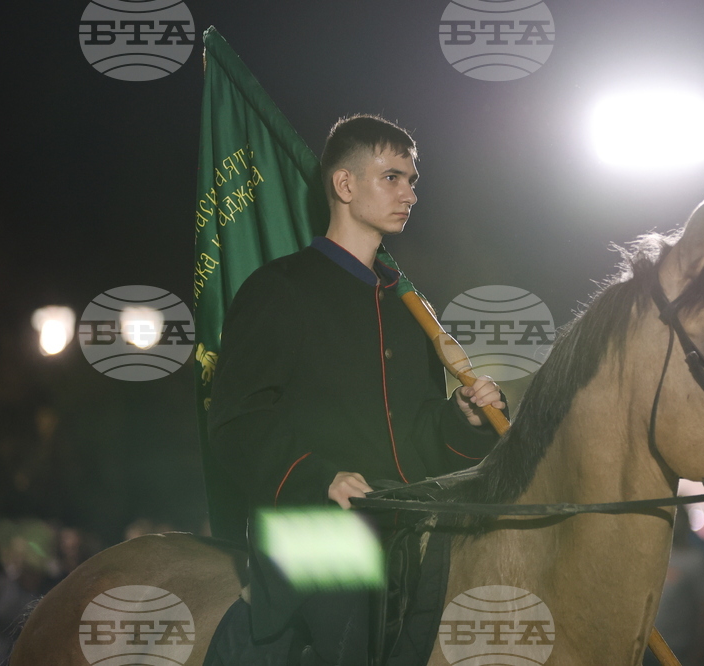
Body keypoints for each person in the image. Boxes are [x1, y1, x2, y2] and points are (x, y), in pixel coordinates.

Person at [207, 114, 505, 665]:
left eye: (413, 181)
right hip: (311, 526)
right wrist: (320, 477)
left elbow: (417, 434)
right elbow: (236, 420)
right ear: (344, 186)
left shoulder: (407, 308)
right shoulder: (278, 289)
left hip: (407, 519)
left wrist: (459, 417)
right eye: (392, 177)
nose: (410, 194)